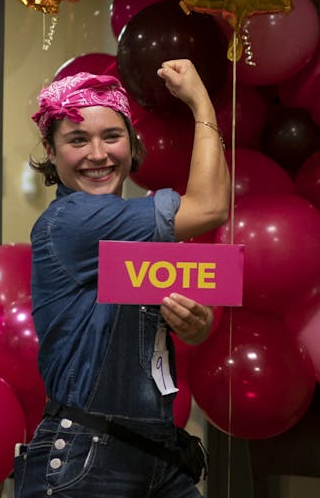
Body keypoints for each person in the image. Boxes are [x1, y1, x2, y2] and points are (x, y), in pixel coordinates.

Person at [14, 60, 229, 498]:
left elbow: (156, 330)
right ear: (52, 153)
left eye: (112, 136)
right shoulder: (75, 218)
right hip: (87, 458)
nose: (98, 154)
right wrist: (201, 102)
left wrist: (194, 323)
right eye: (77, 140)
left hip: (156, 455)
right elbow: (209, 207)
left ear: (131, 145)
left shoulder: (132, 230)